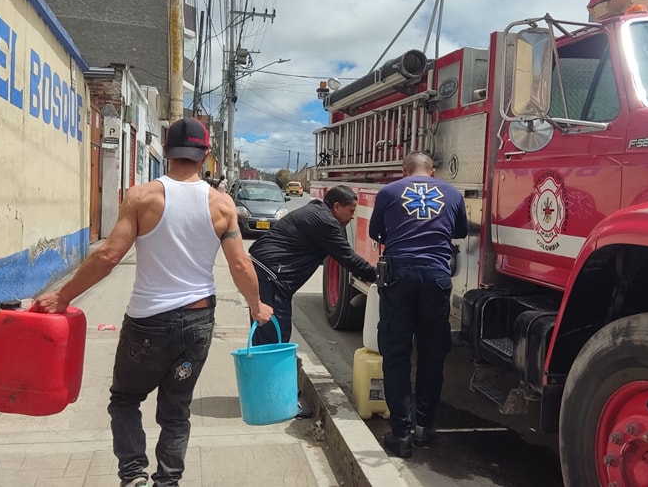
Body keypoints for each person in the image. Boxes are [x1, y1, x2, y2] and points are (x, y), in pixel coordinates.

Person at [33, 117, 273, 487]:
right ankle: (167, 482)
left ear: (166, 151)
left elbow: (109, 255)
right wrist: (256, 306)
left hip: (147, 323)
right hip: (197, 323)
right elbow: (240, 264)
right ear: (206, 155)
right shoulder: (222, 205)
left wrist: (63, 297)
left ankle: (133, 476)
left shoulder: (142, 197)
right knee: (176, 412)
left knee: (126, 400)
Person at [368, 151, 468, 459]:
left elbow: (375, 233)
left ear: (404, 170)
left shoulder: (388, 192)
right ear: (433, 171)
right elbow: (460, 231)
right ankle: (424, 428)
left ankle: (402, 436)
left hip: (399, 277)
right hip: (437, 277)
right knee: (431, 354)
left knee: (396, 355)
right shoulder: (453, 193)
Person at [248, 185, 377, 416]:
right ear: (336, 207)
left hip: (267, 272)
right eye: (351, 211)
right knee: (274, 339)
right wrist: (377, 276)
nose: (352, 216)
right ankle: (278, 402)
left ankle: (264, 395)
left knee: (266, 337)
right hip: (271, 275)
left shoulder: (317, 213)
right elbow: (346, 256)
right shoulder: (325, 222)